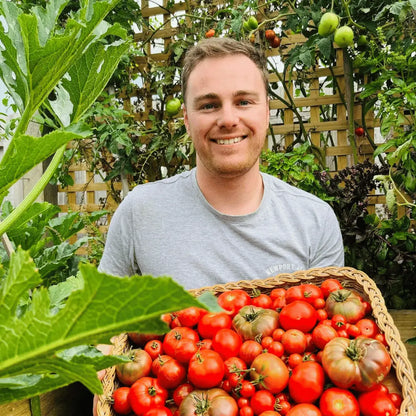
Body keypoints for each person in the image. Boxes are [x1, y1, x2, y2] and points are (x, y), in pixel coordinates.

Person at [98, 37, 344, 291]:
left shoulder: (313, 220)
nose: (228, 119)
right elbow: (102, 316)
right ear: (186, 118)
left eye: (244, 102)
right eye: (209, 105)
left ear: (267, 111)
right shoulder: (140, 212)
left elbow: (330, 320)